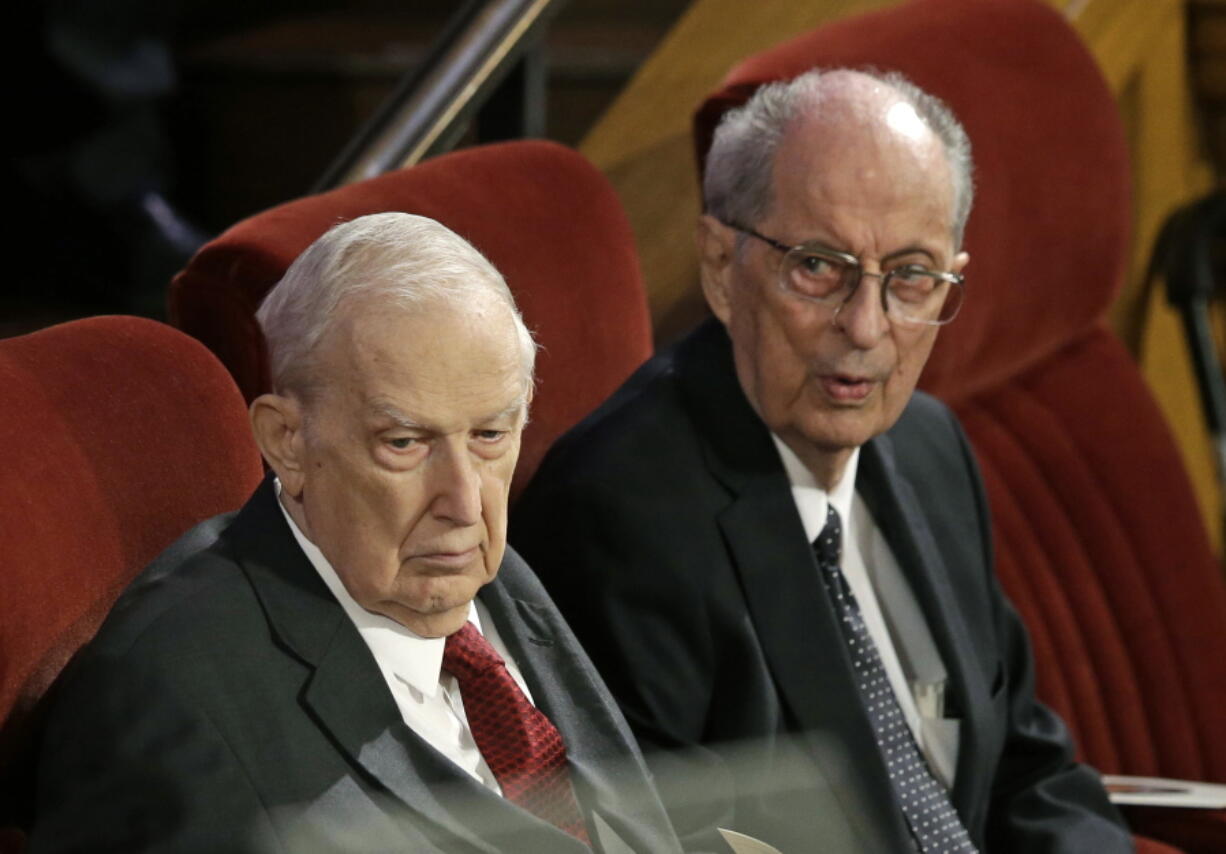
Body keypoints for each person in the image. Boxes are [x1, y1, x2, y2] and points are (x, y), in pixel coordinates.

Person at [512, 69, 1132, 853]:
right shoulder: (620, 519)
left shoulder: (931, 446)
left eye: (909, 277)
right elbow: (662, 839)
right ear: (719, 264)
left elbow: (1024, 764)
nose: (867, 328)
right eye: (818, 266)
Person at [28, 213, 684, 854]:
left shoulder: (483, 568)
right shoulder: (178, 698)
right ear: (287, 441)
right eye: (404, 443)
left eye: (489, 434)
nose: (463, 501)